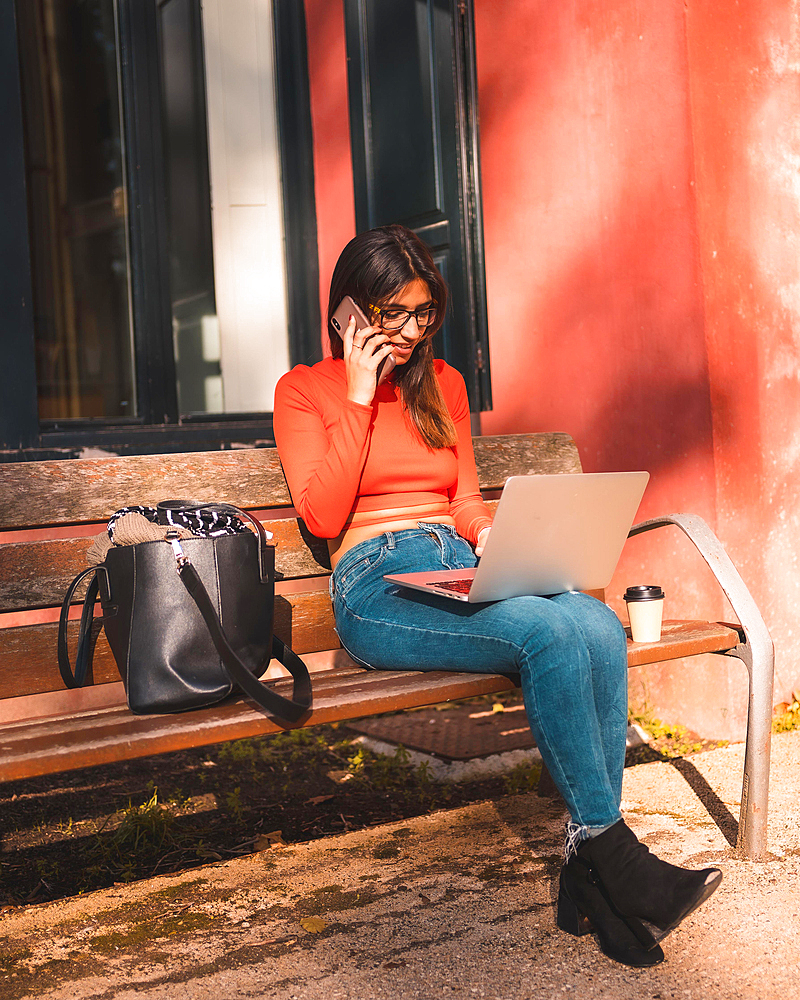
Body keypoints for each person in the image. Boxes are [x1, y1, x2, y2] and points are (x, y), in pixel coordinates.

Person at [273, 224, 721, 967]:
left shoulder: (441, 385)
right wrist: (357, 394)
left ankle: (591, 871)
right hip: (374, 582)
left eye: (424, 314)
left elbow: (464, 499)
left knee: (598, 627)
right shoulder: (305, 391)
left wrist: (491, 535)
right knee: (544, 634)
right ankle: (615, 863)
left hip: (456, 563)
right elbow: (322, 517)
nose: (413, 333)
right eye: (395, 315)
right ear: (348, 313)